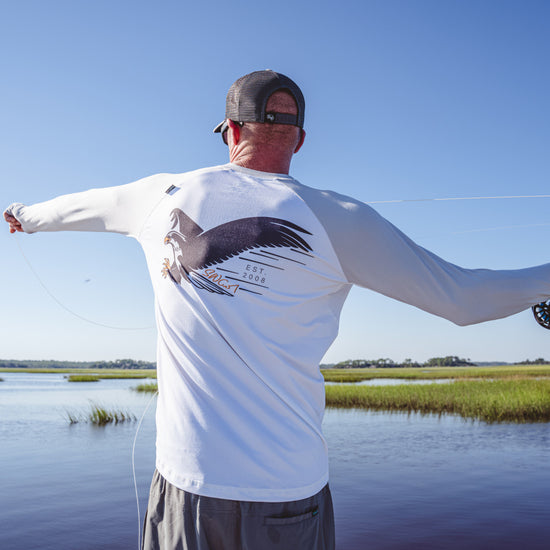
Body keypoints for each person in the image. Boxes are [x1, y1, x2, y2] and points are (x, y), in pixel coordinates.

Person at [4, 70, 550, 550]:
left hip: (187, 489)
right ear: (301, 139)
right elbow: (463, 298)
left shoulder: (159, 195)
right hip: (290, 498)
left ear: (231, 132)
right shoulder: (342, 218)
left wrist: (23, 215)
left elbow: (74, 206)